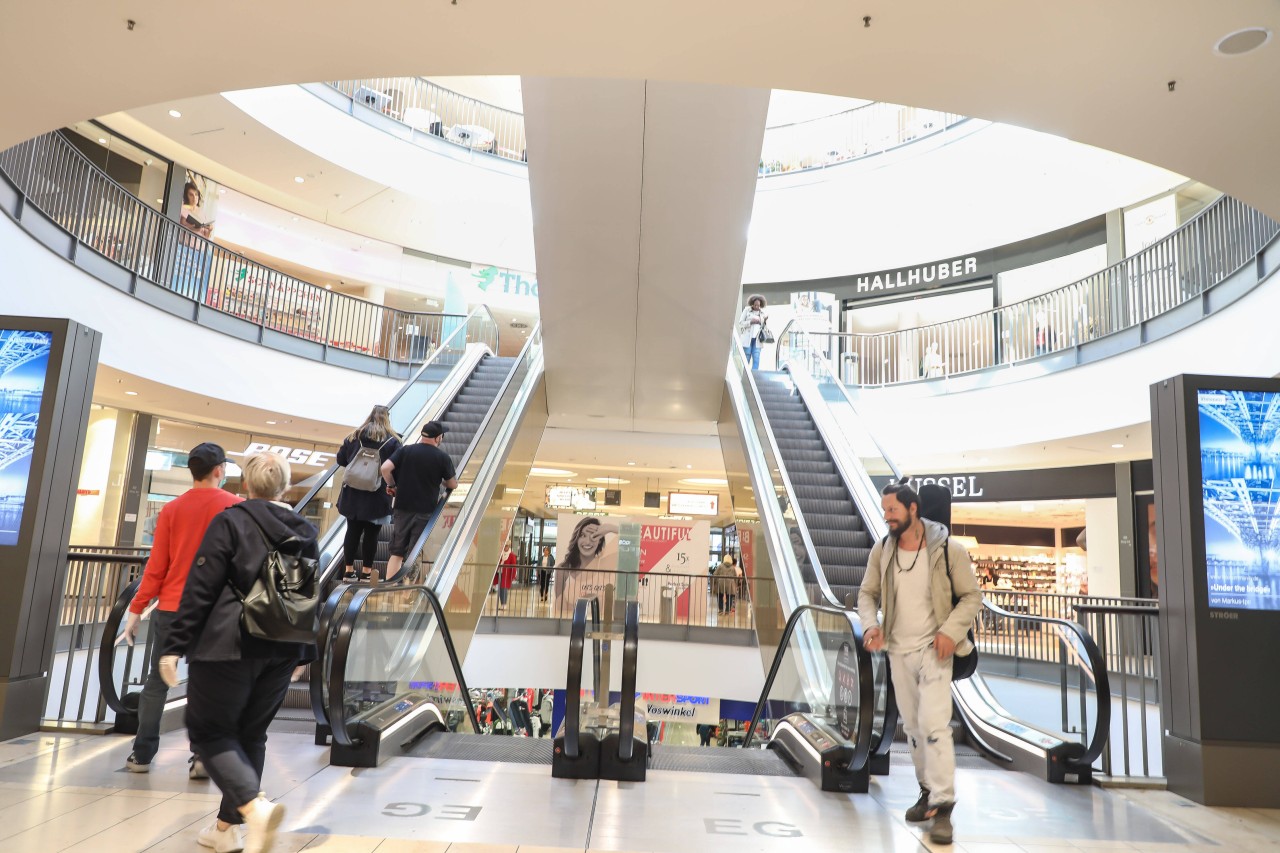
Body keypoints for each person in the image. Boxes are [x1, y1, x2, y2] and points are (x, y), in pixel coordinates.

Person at [158, 452, 318, 853]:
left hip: (230, 643)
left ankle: (253, 807)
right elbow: (309, 593)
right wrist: (303, 653)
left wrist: (174, 645)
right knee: (251, 734)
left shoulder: (231, 521)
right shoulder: (305, 530)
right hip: (282, 647)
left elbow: (202, 586)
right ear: (285, 487)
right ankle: (227, 829)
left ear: (246, 485)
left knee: (209, 731)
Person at [858, 482, 983, 846]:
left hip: (936, 651)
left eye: (892, 510)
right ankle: (927, 792)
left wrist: (950, 631)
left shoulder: (949, 551)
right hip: (898, 651)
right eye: (884, 511)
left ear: (913, 509)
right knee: (912, 728)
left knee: (934, 725)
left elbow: (972, 596)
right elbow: (867, 593)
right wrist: (871, 625)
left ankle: (943, 808)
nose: (887, 517)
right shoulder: (882, 550)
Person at [120, 442, 242, 778]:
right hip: (215, 611)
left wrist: (136, 608)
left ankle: (142, 754)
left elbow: (156, 567)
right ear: (219, 470)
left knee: (156, 681)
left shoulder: (171, 510)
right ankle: (202, 757)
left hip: (172, 609)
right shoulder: (236, 508)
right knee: (208, 685)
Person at [380, 420, 458, 583]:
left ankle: (388, 589)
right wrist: (442, 481)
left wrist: (392, 485)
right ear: (438, 438)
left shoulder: (406, 450)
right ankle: (406, 595)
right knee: (415, 552)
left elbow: (385, 468)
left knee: (397, 550)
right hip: (425, 511)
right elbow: (452, 484)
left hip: (402, 508)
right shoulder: (442, 457)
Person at [335, 405, 402, 581]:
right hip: (377, 494)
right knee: (372, 534)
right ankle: (366, 572)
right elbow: (397, 468)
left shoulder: (354, 436)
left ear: (370, 416)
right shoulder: (393, 441)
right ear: (387, 418)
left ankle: (348, 571)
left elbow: (341, 459)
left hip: (352, 493)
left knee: (352, 531)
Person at [554, 516, 619, 609]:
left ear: (600, 540)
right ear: (576, 539)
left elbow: (636, 540)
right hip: (573, 623)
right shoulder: (563, 569)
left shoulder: (606, 565)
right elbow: (559, 608)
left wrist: (609, 528)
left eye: (593, 536)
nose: (588, 542)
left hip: (601, 623)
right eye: (583, 535)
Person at [737, 294, 768, 370]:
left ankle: (754, 377)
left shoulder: (762, 313)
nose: (757, 307)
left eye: (759, 305)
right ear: (752, 304)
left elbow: (764, 328)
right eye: (755, 305)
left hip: (757, 340)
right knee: (746, 358)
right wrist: (751, 322)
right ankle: (745, 376)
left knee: (756, 358)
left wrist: (764, 321)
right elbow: (740, 323)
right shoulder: (747, 310)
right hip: (747, 339)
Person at [497, 542, 517, 610]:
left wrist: (513, 575)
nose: (505, 547)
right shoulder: (501, 554)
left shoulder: (511, 555)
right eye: (504, 546)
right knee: (500, 589)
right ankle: (502, 603)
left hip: (507, 574)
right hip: (500, 573)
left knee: (504, 589)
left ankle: (504, 603)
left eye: (507, 546)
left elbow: (514, 566)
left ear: (509, 547)